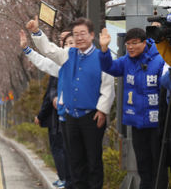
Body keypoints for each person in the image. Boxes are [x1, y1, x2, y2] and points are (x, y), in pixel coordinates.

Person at [28, 16, 115, 189]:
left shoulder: (101, 57)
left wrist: (102, 110)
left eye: (83, 33)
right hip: (71, 117)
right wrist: (36, 32)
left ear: (91, 35)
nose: (79, 37)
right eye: (76, 34)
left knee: (93, 161)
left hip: (92, 117)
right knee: (75, 162)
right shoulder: (68, 54)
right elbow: (49, 50)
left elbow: (108, 86)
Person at [99, 27, 167, 189]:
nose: (130, 47)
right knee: (143, 166)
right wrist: (104, 49)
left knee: (158, 167)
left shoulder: (159, 60)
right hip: (137, 124)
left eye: (134, 43)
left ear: (144, 43)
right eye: (127, 44)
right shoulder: (126, 61)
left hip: (157, 125)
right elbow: (110, 67)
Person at [21, 29, 73, 188]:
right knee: (71, 156)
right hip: (67, 117)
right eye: (67, 44)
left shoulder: (94, 60)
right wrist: (27, 49)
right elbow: (44, 59)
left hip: (87, 118)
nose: (70, 47)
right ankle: (68, 181)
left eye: (73, 43)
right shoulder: (62, 64)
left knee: (86, 159)